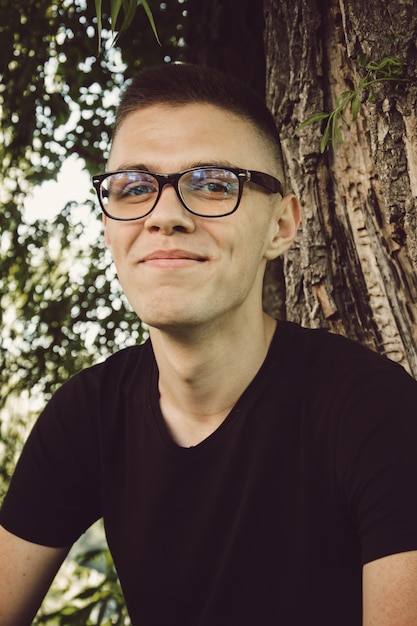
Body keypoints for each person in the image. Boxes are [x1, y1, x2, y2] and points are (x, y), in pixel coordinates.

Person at [1, 62, 417, 626]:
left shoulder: (375, 410)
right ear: (108, 226)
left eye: (214, 183)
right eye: (133, 188)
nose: (165, 216)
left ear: (281, 226)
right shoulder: (87, 416)